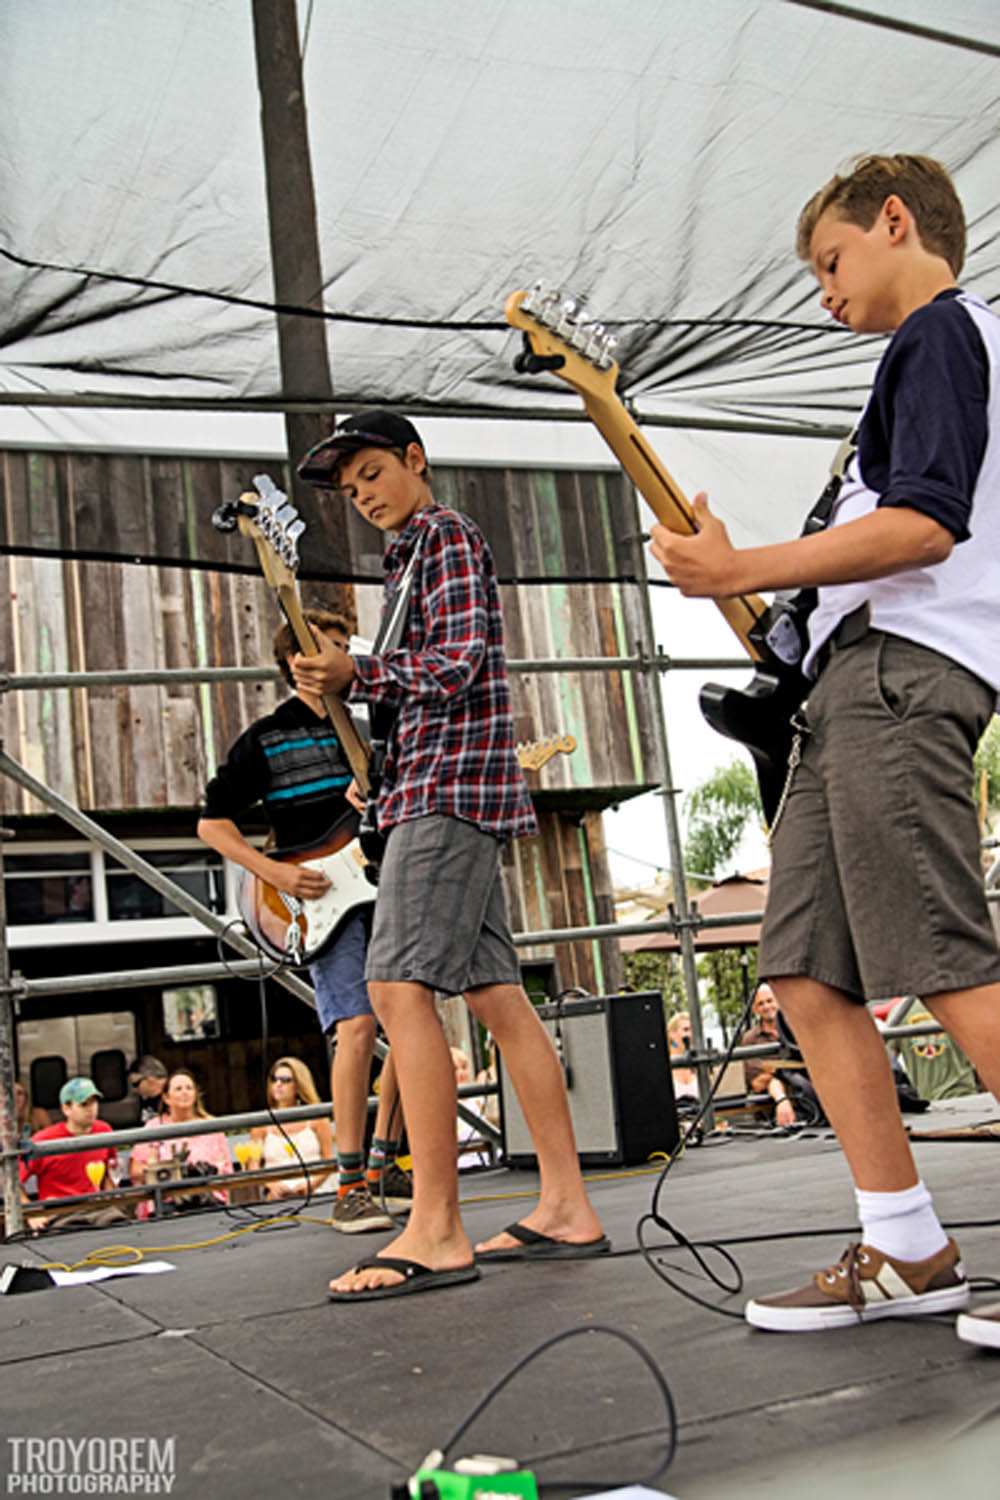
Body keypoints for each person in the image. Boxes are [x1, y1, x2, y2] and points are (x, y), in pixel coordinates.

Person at [651, 154, 1000, 1349]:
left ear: (895, 222)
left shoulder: (941, 333)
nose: (824, 294)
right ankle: (906, 1243)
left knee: (942, 954)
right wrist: (753, 579)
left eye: (831, 262)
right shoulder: (933, 355)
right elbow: (884, 528)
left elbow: (923, 523)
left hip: (903, 678)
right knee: (803, 969)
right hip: (854, 681)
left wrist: (737, 569)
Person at [292, 409, 607, 1301]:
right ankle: (564, 1206)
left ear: (415, 462)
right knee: (501, 1002)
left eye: (373, 477)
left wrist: (361, 671)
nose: (363, 498)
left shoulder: (444, 533)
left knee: (394, 989)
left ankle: (434, 1225)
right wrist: (375, 777)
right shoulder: (408, 564)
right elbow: (432, 688)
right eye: (350, 493)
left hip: (450, 795)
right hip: (429, 788)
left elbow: (463, 660)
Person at [197, 609, 409, 1233]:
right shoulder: (267, 738)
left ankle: (384, 1162)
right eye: (329, 646)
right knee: (358, 1024)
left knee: (414, 1013)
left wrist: (377, 796)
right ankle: (348, 1185)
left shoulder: (373, 730)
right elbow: (211, 823)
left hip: (382, 883)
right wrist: (273, 873)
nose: (344, 656)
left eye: (347, 645)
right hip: (315, 897)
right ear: (295, 661)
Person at [129, 1068, 233, 1217]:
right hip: (166, 1202)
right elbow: (136, 1171)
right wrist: (162, 1171)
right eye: (178, 1089)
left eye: (189, 1088)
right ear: (166, 1097)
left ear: (196, 1094)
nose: (185, 1092)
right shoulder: (154, 1127)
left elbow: (226, 1171)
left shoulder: (212, 1126)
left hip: (207, 1200)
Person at [18, 1078, 116, 1230]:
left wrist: (111, 1197)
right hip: (59, 1212)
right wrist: (32, 1213)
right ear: (66, 1109)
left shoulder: (105, 1130)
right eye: (84, 1104)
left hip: (99, 1207)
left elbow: (109, 1172)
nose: (91, 1108)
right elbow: (11, 1181)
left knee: (120, 1225)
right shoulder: (42, 1140)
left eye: (94, 1102)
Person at [250, 1056, 339, 1201]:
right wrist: (271, 1185)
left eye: (285, 1080)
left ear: (298, 1085)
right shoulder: (262, 1124)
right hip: (277, 1196)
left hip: (318, 1191)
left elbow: (329, 1160)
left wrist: (311, 1185)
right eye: (274, 1079)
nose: (278, 1084)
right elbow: (253, 1165)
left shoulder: (317, 1119)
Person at [740, 983, 820, 1127]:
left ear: (778, 1000)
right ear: (755, 1009)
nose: (766, 1006)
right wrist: (784, 1071)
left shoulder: (797, 1028)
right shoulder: (750, 1039)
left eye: (770, 1001)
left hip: (808, 1094)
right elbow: (757, 1084)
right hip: (771, 1107)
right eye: (761, 1003)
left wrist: (772, 1069)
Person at [666, 1012, 699, 1104]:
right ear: (672, 1034)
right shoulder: (664, 1066)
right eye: (686, 1029)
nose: (691, 1034)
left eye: (693, 1030)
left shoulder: (698, 1063)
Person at [128, 1055, 168, 1123]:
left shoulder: (174, 1095)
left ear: (150, 1079)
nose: (135, 1090)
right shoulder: (146, 1101)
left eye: (136, 1084)